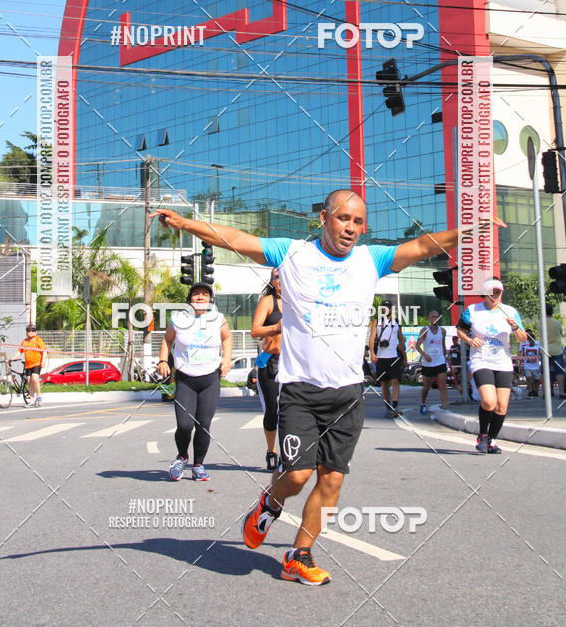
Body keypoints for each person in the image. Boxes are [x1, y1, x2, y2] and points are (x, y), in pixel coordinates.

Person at [153, 190, 497, 585]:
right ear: (323, 218)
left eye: (358, 221)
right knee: (297, 477)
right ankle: (271, 500)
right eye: (343, 218)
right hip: (301, 390)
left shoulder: (373, 259)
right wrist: (185, 223)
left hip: (348, 394)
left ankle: (299, 555)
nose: (350, 228)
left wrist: (471, 230)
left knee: (332, 480)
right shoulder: (292, 253)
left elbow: (422, 245)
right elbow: (233, 238)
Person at [157, 282, 232, 481]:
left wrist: (226, 358)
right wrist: (163, 360)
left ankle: (198, 464)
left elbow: (227, 338)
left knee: (203, 424)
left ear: (210, 300)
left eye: (204, 295)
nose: (200, 298)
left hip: (210, 379)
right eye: (196, 294)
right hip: (185, 380)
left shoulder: (218, 319)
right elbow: (167, 340)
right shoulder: (179, 319)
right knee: (184, 425)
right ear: (190, 299)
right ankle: (181, 457)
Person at [457, 277, 527, 453]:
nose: (494, 296)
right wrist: (470, 340)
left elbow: (523, 338)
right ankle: (482, 434)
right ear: (485, 294)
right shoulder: (473, 310)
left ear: (501, 293)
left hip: (503, 362)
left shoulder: (510, 312)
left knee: (501, 406)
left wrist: (516, 327)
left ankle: (492, 440)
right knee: (489, 402)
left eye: (498, 293)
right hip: (481, 360)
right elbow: (460, 330)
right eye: (491, 293)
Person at [251, 268, 283, 471]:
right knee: (272, 411)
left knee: (293, 411)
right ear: (272, 282)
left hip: (295, 363)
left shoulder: (299, 300)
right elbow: (255, 331)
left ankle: (290, 452)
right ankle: (271, 451)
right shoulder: (268, 302)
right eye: (277, 277)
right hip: (270, 362)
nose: (281, 280)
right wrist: (275, 328)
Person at [368, 301, 406, 417]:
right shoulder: (377, 322)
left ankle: (395, 405)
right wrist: (372, 353)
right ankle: (388, 406)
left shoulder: (396, 322)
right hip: (381, 356)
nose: (386, 309)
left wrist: (405, 357)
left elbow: (401, 339)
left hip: (394, 355)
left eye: (388, 307)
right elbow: (372, 337)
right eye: (384, 307)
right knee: (384, 382)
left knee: (395, 380)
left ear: (391, 309)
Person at [415, 311, 447, 414]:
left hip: (440, 361)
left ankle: (444, 405)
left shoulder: (442, 331)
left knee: (442, 383)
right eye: (433, 317)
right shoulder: (425, 330)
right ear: (429, 318)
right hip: (428, 363)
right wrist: (424, 355)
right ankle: (423, 402)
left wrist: (445, 355)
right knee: (427, 386)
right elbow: (417, 345)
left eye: (437, 317)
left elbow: (443, 345)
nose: (435, 319)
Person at [9, 324, 47, 406]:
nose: (30, 332)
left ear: (35, 331)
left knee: (34, 379)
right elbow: (19, 352)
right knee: (29, 381)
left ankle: (39, 396)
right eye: (29, 331)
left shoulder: (38, 340)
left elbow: (44, 351)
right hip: (28, 365)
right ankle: (32, 399)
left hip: (36, 363)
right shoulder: (25, 341)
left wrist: (43, 361)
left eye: (32, 330)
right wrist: (11, 359)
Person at [536, 303, 566, 398]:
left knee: (545, 372)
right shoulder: (557, 322)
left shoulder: (540, 322)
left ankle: (546, 392)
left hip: (545, 350)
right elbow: (561, 333)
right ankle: (561, 392)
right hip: (557, 350)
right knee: (559, 372)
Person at [520, 330, 541, 397]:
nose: (531, 341)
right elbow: (522, 355)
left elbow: (540, 354)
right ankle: (530, 391)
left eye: (532, 340)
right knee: (528, 378)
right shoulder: (525, 347)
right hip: (527, 366)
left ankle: (536, 391)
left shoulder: (538, 347)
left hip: (535, 366)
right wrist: (520, 363)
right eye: (530, 340)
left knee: (536, 380)